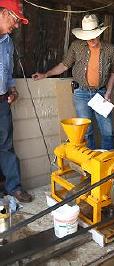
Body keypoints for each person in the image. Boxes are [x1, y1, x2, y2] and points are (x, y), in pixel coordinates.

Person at [32, 14, 114, 150]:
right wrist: (46, 74)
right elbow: (64, 65)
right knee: (86, 132)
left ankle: (107, 166)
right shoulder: (76, 46)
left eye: (95, 36)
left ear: (99, 33)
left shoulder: (110, 49)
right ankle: (89, 166)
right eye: (89, 37)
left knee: (108, 132)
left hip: (101, 93)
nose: (93, 40)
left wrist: (108, 93)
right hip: (81, 93)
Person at [0, 0, 32, 202]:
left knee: (6, 145)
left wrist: (12, 89)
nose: (17, 25)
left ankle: (14, 187)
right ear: (2, 13)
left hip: (2, 101)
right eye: (15, 19)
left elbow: (9, 70)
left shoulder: (8, 42)